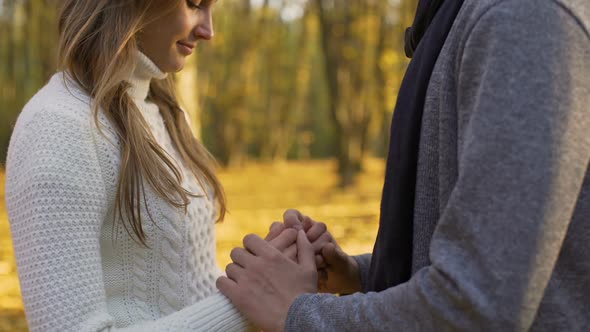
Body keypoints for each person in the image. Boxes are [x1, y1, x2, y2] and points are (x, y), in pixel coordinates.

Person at [217, 0, 590, 331]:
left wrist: (298, 313)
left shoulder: (525, 18)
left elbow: (478, 306)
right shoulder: (459, 17)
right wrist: (362, 274)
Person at [4, 1, 307, 331]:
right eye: (194, 4)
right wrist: (249, 302)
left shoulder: (168, 115)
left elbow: (187, 291)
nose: (209, 31)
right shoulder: (58, 127)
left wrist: (280, 269)